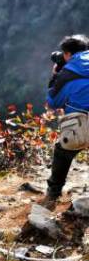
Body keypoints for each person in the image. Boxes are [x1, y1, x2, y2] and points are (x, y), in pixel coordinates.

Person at [44, 34, 89, 205]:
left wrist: (55, 76)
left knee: (62, 152)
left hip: (79, 127)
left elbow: (52, 104)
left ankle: (53, 193)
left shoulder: (68, 73)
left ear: (68, 54)